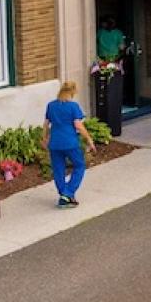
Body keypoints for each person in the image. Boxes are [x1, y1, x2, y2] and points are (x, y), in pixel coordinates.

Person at [43, 80, 96, 208]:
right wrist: (89, 139)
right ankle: (68, 193)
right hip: (70, 142)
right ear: (72, 92)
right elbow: (78, 125)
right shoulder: (73, 106)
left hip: (55, 143)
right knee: (79, 165)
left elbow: (46, 125)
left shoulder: (51, 105)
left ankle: (63, 195)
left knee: (58, 170)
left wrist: (45, 139)